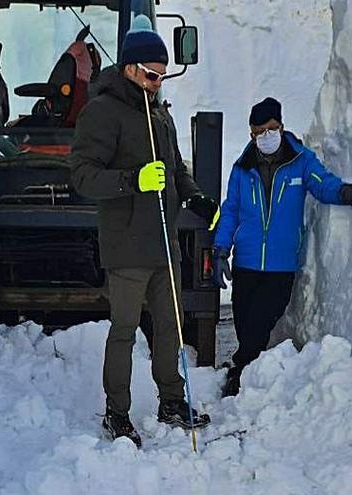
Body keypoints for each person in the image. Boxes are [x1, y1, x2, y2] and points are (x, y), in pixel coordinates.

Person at [69, 16, 218, 447]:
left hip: (164, 246)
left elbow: (173, 170)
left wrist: (192, 196)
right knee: (124, 331)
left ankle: (172, 399)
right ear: (131, 68)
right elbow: (81, 176)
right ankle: (116, 412)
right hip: (127, 248)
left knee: (171, 326)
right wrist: (132, 180)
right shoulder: (102, 112)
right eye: (152, 74)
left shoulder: (160, 114)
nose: (158, 82)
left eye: (163, 75)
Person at [212, 97, 352, 397]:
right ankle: (245, 372)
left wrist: (344, 192)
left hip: (280, 265)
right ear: (251, 134)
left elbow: (322, 183)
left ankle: (240, 375)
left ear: (281, 126)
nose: (267, 136)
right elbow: (231, 210)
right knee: (245, 324)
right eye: (260, 131)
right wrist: (221, 248)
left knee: (259, 324)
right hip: (246, 262)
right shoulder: (242, 168)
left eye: (272, 128)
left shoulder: (300, 161)